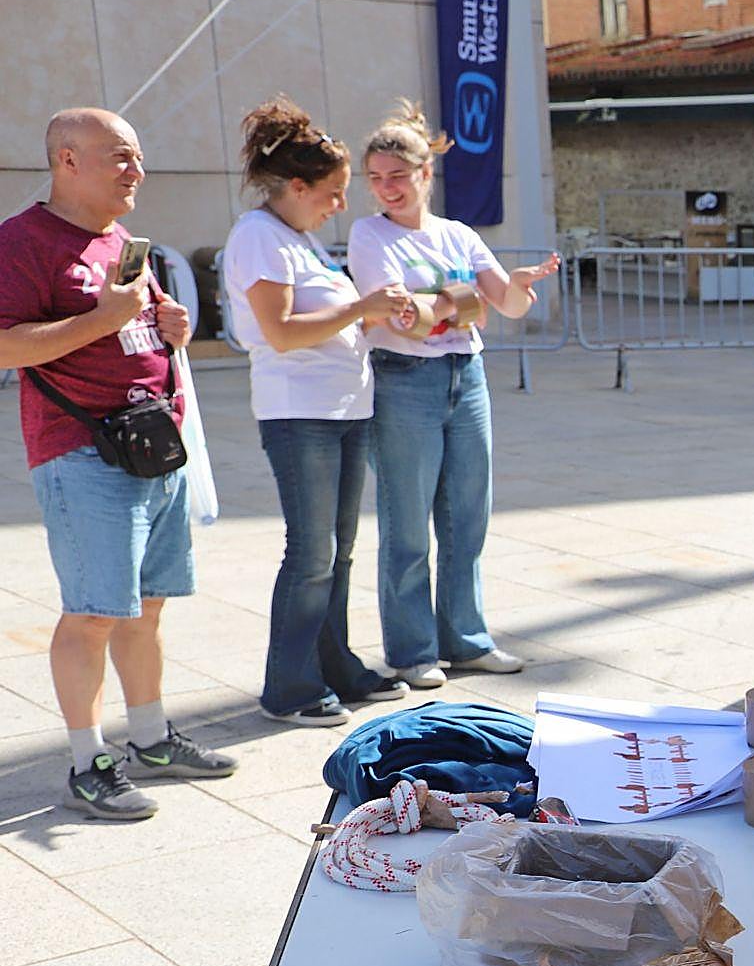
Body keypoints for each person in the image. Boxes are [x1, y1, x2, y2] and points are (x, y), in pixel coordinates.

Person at [0, 109, 238, 820]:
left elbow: (135, 323)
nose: (136, 171)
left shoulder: (121, 243)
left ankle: (152, 738)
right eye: (121, 158)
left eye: (137, 158)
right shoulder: (22, 241)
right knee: (94, 614)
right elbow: (6, 345)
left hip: (153, 448)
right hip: (84, 454)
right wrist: (102, 321)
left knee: (147, 607)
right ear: (68, 160)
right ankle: (87, 761)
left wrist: (171, 327)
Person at [348, 100, 560, 690]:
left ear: (425, 175)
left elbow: (506, 306)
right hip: (402, 382)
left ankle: (466, 640)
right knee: (407, 523)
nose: (387, 188)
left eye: (398, 176)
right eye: (376, 178)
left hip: (465, 380)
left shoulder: (457, 234)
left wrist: (510, 289)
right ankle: (413, 651)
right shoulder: (369, 236)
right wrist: (463, 300)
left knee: (468, 518)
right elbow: (401, 321)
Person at [222, 96, 414, 726]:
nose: (341, 206)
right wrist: (362, 308)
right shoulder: (258, 236)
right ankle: (289, 687)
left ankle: (335, 665)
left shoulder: (299, 239)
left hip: (342, 410)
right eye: (333, 192)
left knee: (338, 552)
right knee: (310, 553)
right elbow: (280, 331)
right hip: (299, 413)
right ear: (298, 186)